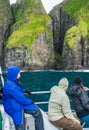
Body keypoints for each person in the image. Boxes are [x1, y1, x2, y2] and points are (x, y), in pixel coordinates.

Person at [2, 65, 44, 130]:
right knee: (20, 122)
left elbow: (17, 91)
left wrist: (25, 90)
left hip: (16, 102)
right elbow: (22, 100)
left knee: (36, 110)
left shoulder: (12, 83)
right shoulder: (11, 86)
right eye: (18, 73)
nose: (20, 75)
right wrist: (31, 101)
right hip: (12, 107)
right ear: (14, 74)